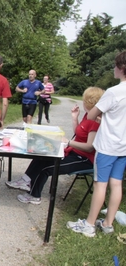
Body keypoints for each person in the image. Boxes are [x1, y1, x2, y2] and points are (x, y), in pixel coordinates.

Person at [5, 87, 104, 205]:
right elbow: (79, 133)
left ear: (89, 102)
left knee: (46, 169)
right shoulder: (88, 116)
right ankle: (25, 180)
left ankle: (34, 196)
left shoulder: (95, 121)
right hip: (73, 152)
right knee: (43, 154)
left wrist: (68, 142)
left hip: (84, 159)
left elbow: (89, 147)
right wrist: (74, 118)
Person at [67, 51, 126, 237]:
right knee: (116, 184)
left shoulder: (114, 92)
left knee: (100, 184)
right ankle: (108, 224)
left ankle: (89, 225)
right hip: (123, 147)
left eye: (116, 66)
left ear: (122, 68)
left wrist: (103, 115)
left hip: (108, 146)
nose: (114, 69)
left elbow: (92, 114)